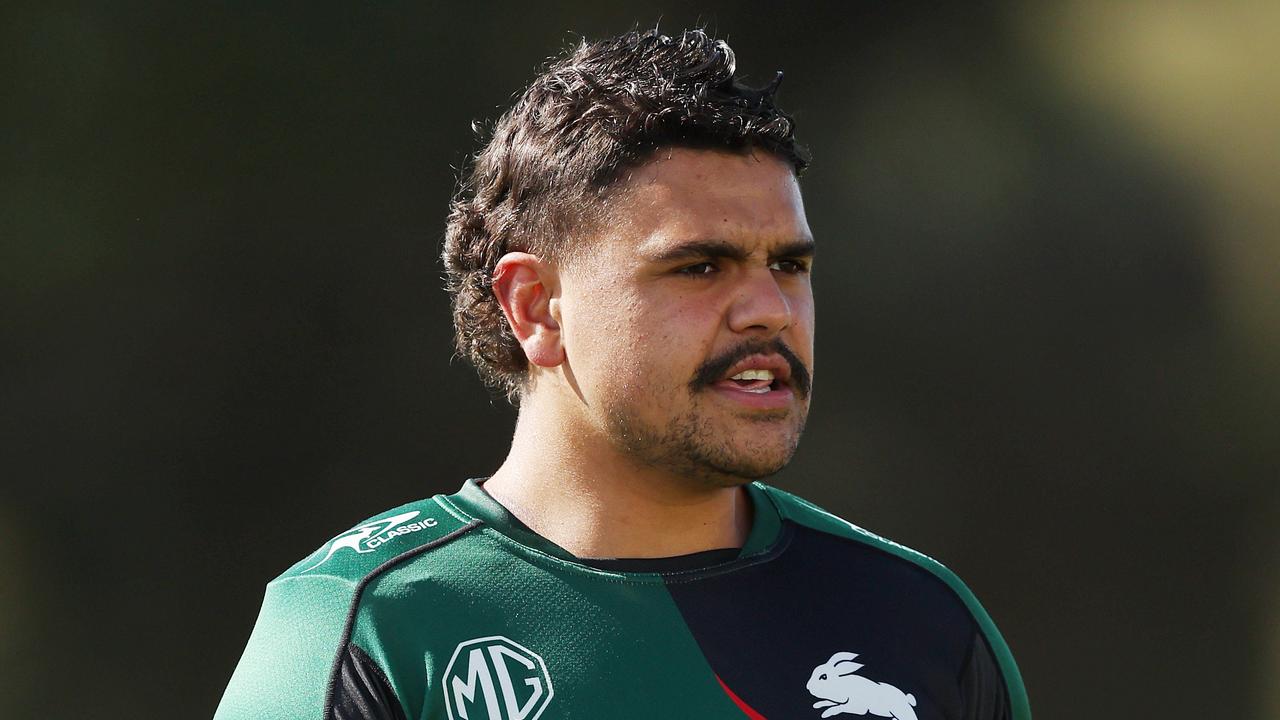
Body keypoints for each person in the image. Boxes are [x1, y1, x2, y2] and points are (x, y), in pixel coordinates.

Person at [215, 28, 1030, 720]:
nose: (769, 310)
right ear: (536, 306)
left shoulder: (920, 619)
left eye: (788, 264)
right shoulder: (368, 625)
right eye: (700, 267)